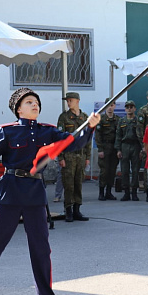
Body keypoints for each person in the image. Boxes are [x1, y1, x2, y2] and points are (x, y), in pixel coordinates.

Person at [0, 87, 100, 295]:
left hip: (34, 194)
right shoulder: (7, 131)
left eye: (36, 102)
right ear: (18, 108)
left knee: (40, 249)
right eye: (29, 102)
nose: (34, 104)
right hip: (9, 191)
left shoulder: (46, 131)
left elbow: (71, 142)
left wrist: (89, 126)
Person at [57, 92, 91, 222]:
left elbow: (88, 138)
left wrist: (88, 156)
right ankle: (68, 210)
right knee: (68, 184)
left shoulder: (85, 117)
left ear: (77, 101)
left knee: (78, 184)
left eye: (70, 100)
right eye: (67, 100)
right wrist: (61, 157)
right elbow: (59, 138)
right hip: (68, 155)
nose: (68, 102)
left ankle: (77, 210)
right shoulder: (64, 117)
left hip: (81, 155)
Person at [114, 100, 141, 202]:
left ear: (134, 108)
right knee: (124, 170)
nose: (129, 109)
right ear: (125, 109)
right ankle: (126, 192)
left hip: (135, 146)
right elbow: (118, 136)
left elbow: (140, 136)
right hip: (124, 146)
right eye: (127, 107)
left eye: (131, 107)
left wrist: (141, 150)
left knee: (135, 170)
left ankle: (134, 192)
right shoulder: (121, 121)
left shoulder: (138, 121)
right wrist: (118, 149)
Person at [95, 99, 120, 201]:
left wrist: (118, 149)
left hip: (114, 148)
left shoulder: (117, 119)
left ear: (114, 106)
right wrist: (100, 149)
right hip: (105, 147)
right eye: (108, 105)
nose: (110, 107)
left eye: (112, 105)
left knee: (112, 171)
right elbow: (98, 136)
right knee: (104, 171)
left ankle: (108, 192)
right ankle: (101, 192)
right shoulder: (101, 119)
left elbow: (119, 135)